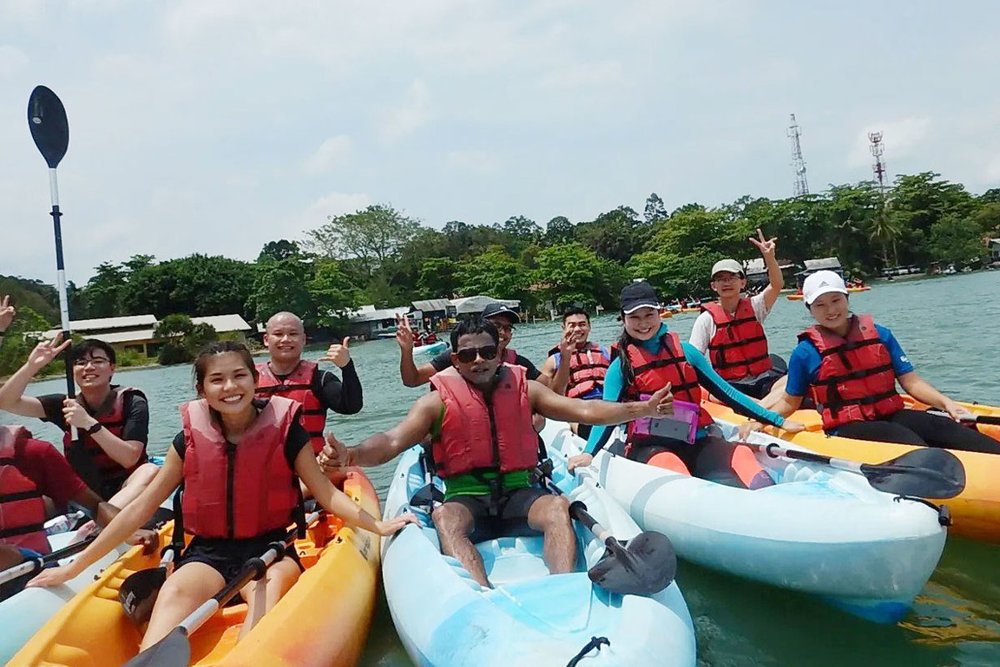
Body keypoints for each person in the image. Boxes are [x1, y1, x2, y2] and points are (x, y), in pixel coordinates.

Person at [27, 341, 416, 650]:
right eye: (217, 379)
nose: (230, 387)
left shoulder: (287, 432)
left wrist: (379, 526)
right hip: (207, 553)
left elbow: (327, 495)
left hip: (271, 549)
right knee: (173, 594)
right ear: (202, 389)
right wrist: (73, 569)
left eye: (239, 376)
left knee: (265, 597)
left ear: (254, 380)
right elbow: (139, 509)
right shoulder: (187, 440)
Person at [320, 318, 673, 588]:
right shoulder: (435, 402)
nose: (479, 360)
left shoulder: (527, 389)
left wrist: (641, 409)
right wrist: (351, 455)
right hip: (466, 498)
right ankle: (481, 595)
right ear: (455, 360)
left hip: (520, 494)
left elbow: (583, 410)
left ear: (499, 353)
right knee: (446, 518)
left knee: (556, 506)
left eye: (487, 352)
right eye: (468, 355)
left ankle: (564, 588)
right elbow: (392, 441)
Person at [567, 281, 804, 490]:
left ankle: (772, 500)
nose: (643, 323)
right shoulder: (621, 367)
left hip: (697, 439)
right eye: (635, 317)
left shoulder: (687, 353)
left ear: (659, 313)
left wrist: (778, 420)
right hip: (652, 445)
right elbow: (607, 415)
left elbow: (728, 393)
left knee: (741, 455)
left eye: (649, 314)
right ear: (624, 319)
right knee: (673, 468)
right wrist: (588, 453)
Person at [744, 270, 1000, 453]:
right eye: (820, 305)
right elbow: (789, 402)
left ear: (847, 298)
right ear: (810, 309)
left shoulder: (881, 334)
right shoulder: (805, 352)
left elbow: (911, 382)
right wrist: (760, 420)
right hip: (848, 426)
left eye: (836, 300)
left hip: (892, 413)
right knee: (912, 445)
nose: (831, 310)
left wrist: (948, 404)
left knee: (944, 428)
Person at [0, 336, 158, 505]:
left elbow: (129, 458)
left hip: (125, 486)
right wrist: (31, 366)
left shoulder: (132, 401)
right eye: (81, 363)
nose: (89, 367)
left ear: (112, 368)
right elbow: (7, 402)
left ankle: (107, 517)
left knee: (149, 471)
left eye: (98, 361)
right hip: (83, 493)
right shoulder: (65, 405)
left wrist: (89, 423)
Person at [689, 229, 787, 400]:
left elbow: (776, 285)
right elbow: (694, 359)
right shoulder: (706, 320)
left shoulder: (756, 306)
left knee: (792, 381)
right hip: (730, 387)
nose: (726, 282)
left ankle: (760, 406)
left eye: (732, 277)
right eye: (721, 279)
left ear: (743, 283)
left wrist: (769, 257)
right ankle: (760, 406)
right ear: (714, 286)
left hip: (763, 381)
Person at [255, 312, 362, 455]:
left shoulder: (320, 379)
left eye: (293, 334)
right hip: (264, 462)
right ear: (266, 340)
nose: (286, 339)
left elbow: (351, 407)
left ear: (303, 339)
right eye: (278, 334)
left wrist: (347, 367)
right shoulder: (249, 381)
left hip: (311, 462)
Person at [396, 302, 548, 387]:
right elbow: (412, 380)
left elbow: (550, 386)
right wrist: (407, 351)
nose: (503, 332)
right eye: (497, 326)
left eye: (508, 328)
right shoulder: (460, 355)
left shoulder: (517, 362)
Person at [539, 307, 611, 439]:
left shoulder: (606, 353)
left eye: (582, 324)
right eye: (572, 325)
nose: (577, 329)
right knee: (587, 426)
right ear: (564, 328)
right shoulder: (553, 361)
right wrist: (565, 357)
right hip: (577, 409)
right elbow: (552, 397)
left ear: (589, 327)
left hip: (607, 404)